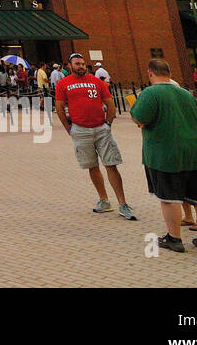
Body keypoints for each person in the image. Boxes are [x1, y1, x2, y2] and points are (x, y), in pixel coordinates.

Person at [130, 58, 197, 255]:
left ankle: (174, 238)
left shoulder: (150, 93)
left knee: (168, 197)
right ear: (170, 73)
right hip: (196, 151)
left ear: (150, 73)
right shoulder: (185, 93)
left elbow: (139, 118)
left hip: (166, 153)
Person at [54, 52, 137, 221]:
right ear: (70, 66)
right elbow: (60, 107)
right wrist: (69, 129)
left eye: (83, 63)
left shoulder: (96, 81)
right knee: (92, 166)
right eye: (77, 64)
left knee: (111, 164)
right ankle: (104, 200)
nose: (81, 66)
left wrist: (108, 124)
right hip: (80, 130)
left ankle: (123, 203)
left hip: (101, 128)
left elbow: (110, 103)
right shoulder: (63, 84)